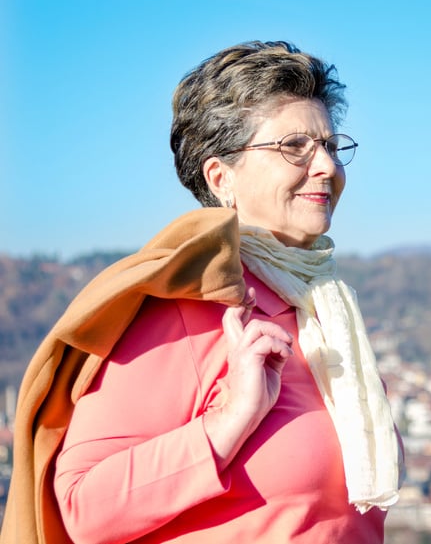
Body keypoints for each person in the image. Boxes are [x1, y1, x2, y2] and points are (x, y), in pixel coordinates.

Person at [0, 41, 401, 543]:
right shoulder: (186, 308)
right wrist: (230, 421)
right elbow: (83, 508)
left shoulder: (326, 315)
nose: (326, 166)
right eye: (294, 146)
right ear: (221, 177)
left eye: (330, 145)